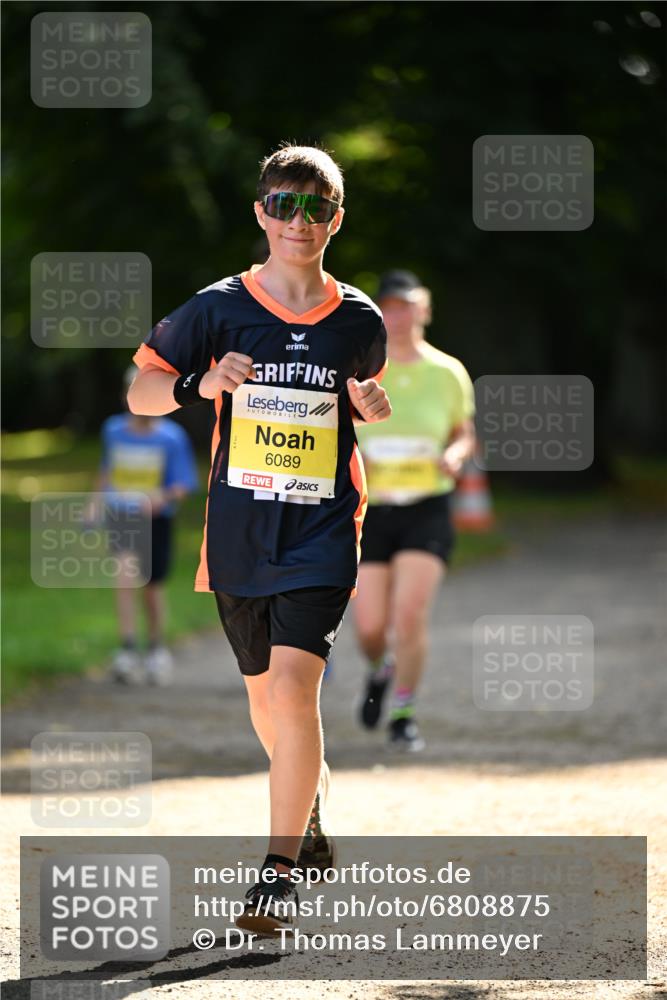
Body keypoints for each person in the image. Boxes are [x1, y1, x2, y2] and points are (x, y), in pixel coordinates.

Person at [127, 144, 391, 933]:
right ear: (260, 213)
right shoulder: (215, 308)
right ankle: (304, 806)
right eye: (284, 205)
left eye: (315, 209)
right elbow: (141, 390)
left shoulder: (359, 320)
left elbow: (362, 404)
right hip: (239, 534)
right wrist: (196, 384)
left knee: (291, 689)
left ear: (335, 220)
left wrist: (373, 407)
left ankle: (276, 874)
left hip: (321, 529)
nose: (298, 222)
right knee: (262, 699)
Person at [354, 270, 475, 752]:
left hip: (426, 506)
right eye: (390, 306)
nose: (398, 315)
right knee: (368, 628)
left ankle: (404, 711)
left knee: (408, 616)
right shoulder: (362, 368)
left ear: (423, 310)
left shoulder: (447, 372)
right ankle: (380, 668)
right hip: (370, 511)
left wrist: (456, 455)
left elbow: (463, 432)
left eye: (407, 306)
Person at [97, 365, 199, 685]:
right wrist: (93, 504)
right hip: (122, 517)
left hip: (156, 521)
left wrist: (162, 497)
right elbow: (107, 469)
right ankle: (127, 648)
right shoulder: (113, 430)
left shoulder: (171, 437)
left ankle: (155, 648)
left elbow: (184, 483)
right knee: (125, 577)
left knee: (151, 589)